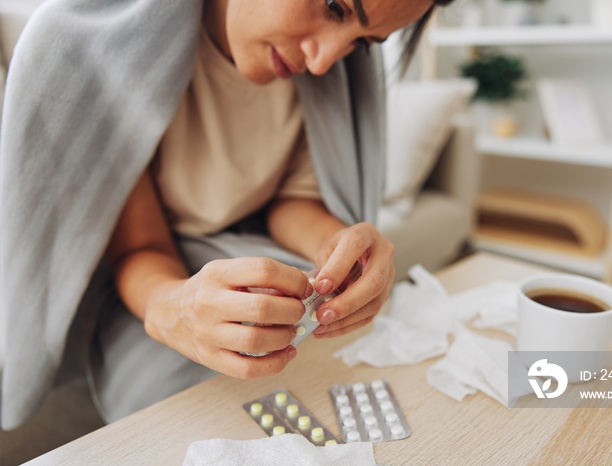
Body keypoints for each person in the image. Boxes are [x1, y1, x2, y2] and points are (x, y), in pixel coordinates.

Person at [0, 0, 453, 429]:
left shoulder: (329, 77)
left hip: (243, 252)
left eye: (362, 43)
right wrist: (173, 308)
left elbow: (290, 201)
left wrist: (338, 243)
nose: (323, 61)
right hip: (149, 278)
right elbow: (141, 248)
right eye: (334, 5)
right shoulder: (93, 52)